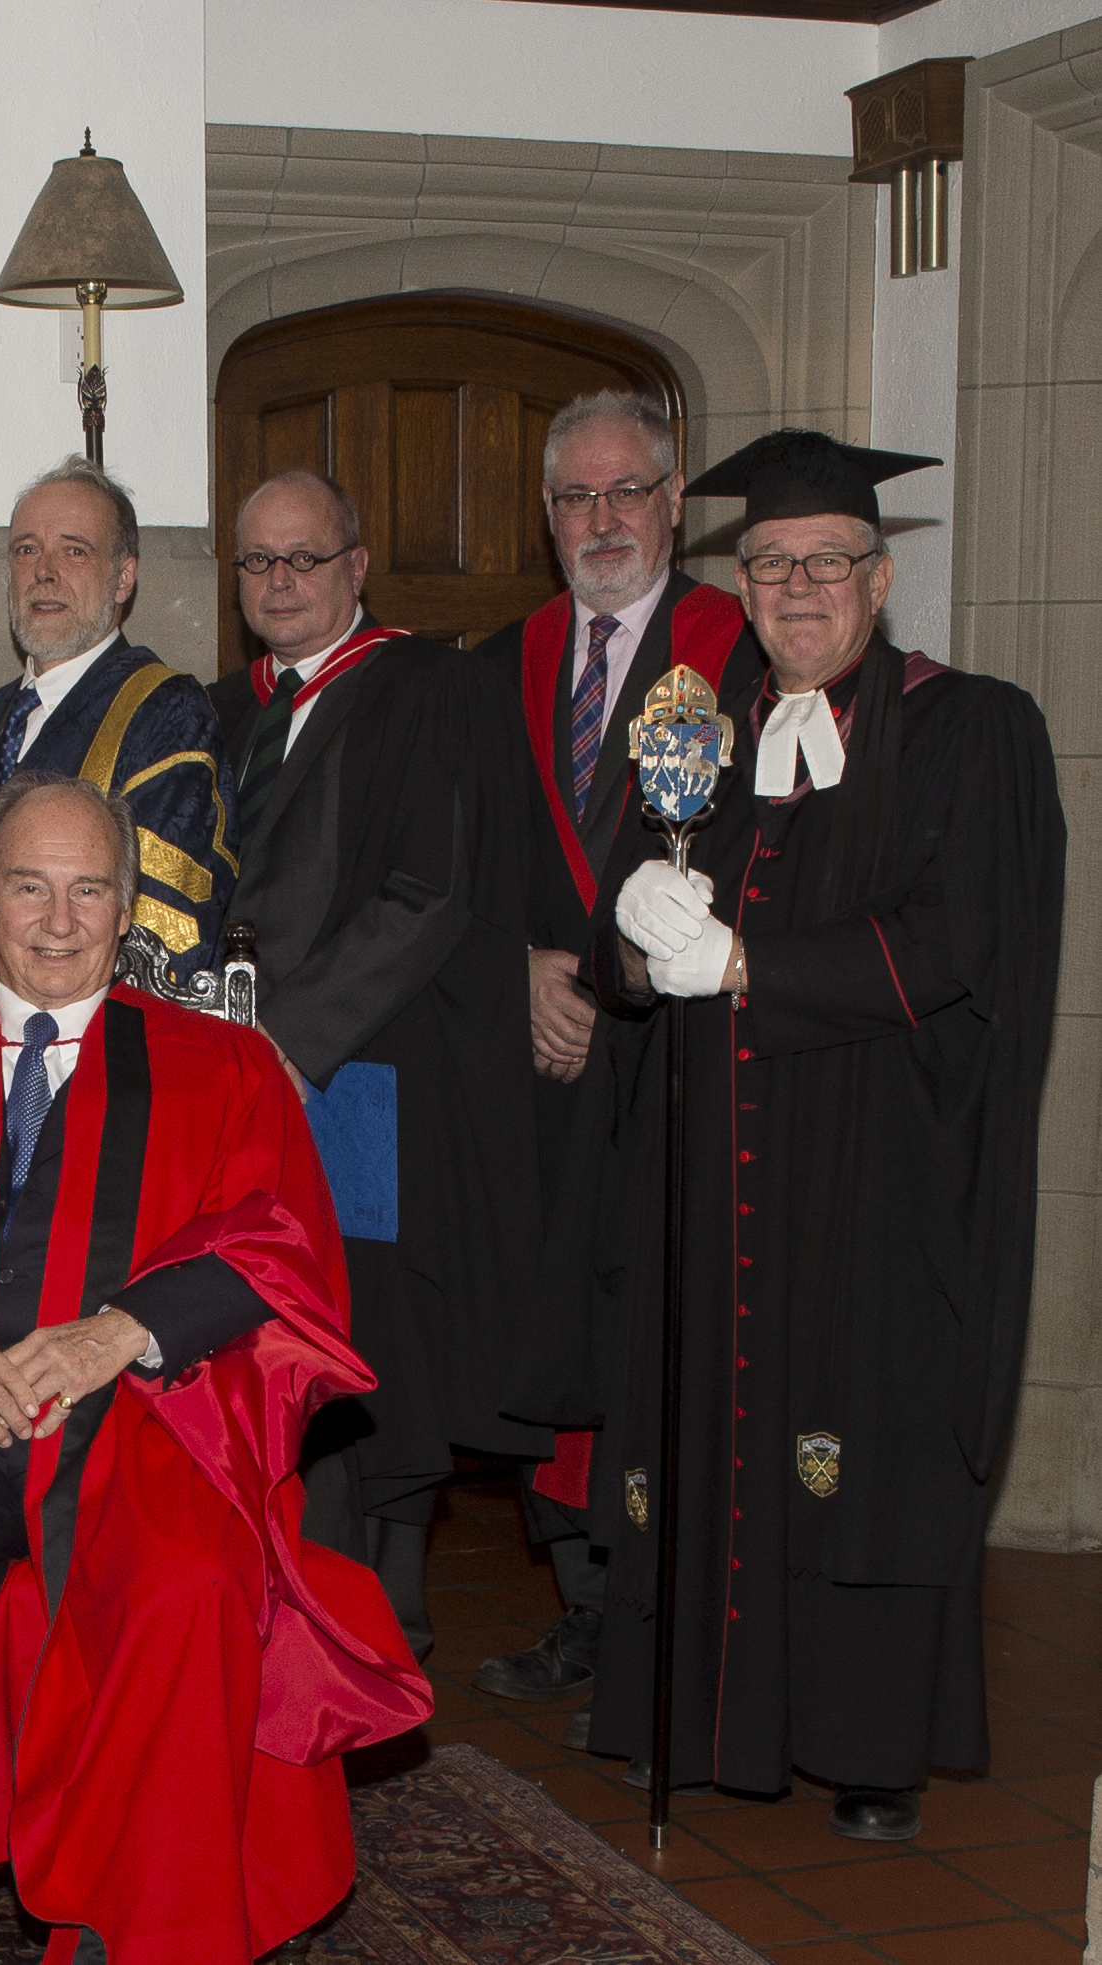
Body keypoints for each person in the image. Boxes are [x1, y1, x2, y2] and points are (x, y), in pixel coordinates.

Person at [0, 773, 428, 1965]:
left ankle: (130, 1929)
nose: (58, 921)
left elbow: (283, 1244)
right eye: (31, 888)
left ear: (129, 911)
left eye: (89, 891)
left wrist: (123, 1331)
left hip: (142, 1423)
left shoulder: (223, 1065)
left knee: (183, 1587)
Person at [590, 429, 1061, 1839]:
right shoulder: (693, 731)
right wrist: (631, 935)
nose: (797, 588)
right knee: (701, 1422)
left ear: (880, 575)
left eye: (827, 563)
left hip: (870, 1172)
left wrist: (743, 968)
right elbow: (634, 919)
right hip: (710, 1156)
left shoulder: (969, 725)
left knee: (853, 1440)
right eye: (771, 564)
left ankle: (864, 1747)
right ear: (739, 583)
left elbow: (958, 938)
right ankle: (688, 1713)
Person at [203, 470, 544, 1660]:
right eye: (258, 564)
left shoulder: (429, 690)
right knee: (266, 1316)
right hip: (241, 1067)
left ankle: (387, 1604)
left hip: (363, 1068)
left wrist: (288, 1045)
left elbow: (428, 891)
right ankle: (285, 1577)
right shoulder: (225, 709)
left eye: (305, 558)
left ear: (357, 567)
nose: (281, 582)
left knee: (373, 1326)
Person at [469, 394, 752, 1738]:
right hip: (539, 1053)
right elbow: (469, 847)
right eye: (575, 500)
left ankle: (664, 1607)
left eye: (624, 493)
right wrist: (521, 961)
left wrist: (606, 971)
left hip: (672, 1055)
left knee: (653, 1323)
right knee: (550, 1311)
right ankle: (581, 1597)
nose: (601, 522)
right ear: (545, 516)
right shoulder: (506, 657)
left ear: (673, 499)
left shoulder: (734, 650)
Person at [0, 457, 233, 977]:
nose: (44, 571)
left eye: (74, 550)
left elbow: (165, 930)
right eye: (26, 549)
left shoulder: (165, 712)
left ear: (123, 578)